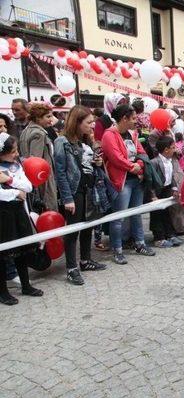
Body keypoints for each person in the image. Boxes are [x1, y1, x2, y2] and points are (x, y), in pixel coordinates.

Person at [53, 105, 107, 286]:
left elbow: (87, 164)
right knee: (72, 230)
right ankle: (71, 268)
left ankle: (85, 260)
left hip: (89, 188)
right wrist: (67, 198)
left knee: (88, 226)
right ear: (77, 122)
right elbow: (60, 172)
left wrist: (97, 163)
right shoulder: (62, 142)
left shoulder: (85, 141)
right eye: (89, 122)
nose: (92, 126)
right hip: (74, 191)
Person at [101, 104, 156, 265]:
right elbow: (115, 158)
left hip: (136, 180)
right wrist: (133, 167)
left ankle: (140, 243)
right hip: (122, 181)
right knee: (118, 217)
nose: (135, 122)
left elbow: (142, 152)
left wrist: (139, 164)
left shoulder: (132, 133)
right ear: (124, 118)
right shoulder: (109, 135)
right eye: (132, 118)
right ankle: (117, 249)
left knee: (136, 213)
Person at [0, 133, 44, 305]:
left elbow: (28, 186)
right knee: (3, 254)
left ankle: (26, 285)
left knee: (22, 250)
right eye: (12, 151)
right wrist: (15, 192)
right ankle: (3, 292)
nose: (16, 154)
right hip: (3, 215)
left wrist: (9, 181)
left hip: (19, 212)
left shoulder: (16, 166)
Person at [18, 102, 58, 212]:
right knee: (49, 211)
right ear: (37, 118)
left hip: (32, 179)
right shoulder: (39, 134)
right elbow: (35, 161)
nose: (51, 119)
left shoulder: (26, 131)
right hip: (42, 180)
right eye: (48, 116)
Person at [149, 137, 182, 248]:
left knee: (167, 213)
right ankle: (158, 237)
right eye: (173, 147)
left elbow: (171, 176)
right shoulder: (154, 162)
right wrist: (153, 195)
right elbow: (150, 181)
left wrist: (174, 188)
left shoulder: (170, 161)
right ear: (166, 149)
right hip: (157, 191)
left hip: (166, 189)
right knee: (156, 214)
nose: (175, 149)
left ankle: (170, 234)